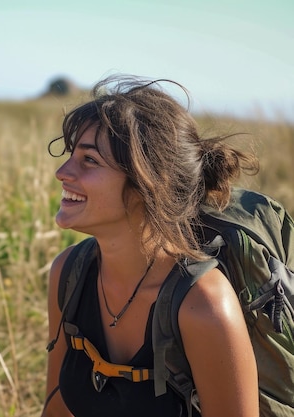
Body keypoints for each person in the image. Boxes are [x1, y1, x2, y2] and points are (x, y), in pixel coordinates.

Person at [42, 75, 259, 417]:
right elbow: (57, 410)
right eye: (71, 155)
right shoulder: (69, 273)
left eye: (89, 160)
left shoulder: (204, 306)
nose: (62, 172)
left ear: (149, 184)